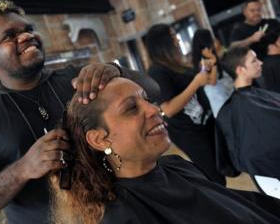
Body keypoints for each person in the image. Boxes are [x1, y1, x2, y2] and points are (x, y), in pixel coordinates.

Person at [0, 0, 160, 224]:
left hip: (122, 214)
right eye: (9, 36)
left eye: (28, 30)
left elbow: (154, 89)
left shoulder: (79, 79)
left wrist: (116, 70)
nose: (25, 37)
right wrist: (23, 169)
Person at [50, 77, 280, 224]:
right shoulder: (124, 216)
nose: (154, 110)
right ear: (99, 139)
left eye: (147, 100)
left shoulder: (175, 166)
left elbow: (242, 208)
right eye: (131, 108)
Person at [143, 24, 225, 185]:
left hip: (206, 122)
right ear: (162, 43)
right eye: (173, 37)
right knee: (214, 177)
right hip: (190, 131)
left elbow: (210, 81)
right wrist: (196, 82)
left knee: (222, 167)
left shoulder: (178, 65)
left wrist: (210, 65)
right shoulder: (157, 71)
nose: (177, 39)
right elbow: (168, 109)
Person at [216, 46, 280, 179]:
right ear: (240, 70)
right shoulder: (236, 109)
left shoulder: (254, 94)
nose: (260, 63)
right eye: (254, 61)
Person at [191, 29, 233, 117]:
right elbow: (212, 82)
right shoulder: (202, 62)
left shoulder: (208, 59)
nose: (214, 43)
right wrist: (213, 61)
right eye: (211, 40)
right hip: (218, 100)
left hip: (224, 96)